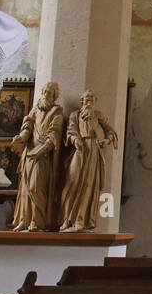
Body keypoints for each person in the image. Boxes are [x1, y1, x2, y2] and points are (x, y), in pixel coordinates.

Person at [59, 89, 118, 233]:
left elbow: (111, 131)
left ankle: (81, 220)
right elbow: (70, 130)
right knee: (72, 182)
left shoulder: (98, 116)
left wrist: (106, 140)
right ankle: (67, 219)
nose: (89, 101)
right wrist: (75, 139)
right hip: (80, 150)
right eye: (86, 99)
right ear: (82, 101)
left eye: (92, 99)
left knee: (89, 185)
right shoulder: (75, 115)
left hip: (93, 151)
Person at [11, 82, 63, 232]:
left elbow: (54, 134)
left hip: (42, 156)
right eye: (45, 91)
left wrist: (41, 150)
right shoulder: (35, 110)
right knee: (26, 187)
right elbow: (27, 127)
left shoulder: (56, 112)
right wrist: (21, 137)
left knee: (36, 187)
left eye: (50, 92)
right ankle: (25, 220)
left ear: (54, 96)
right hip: (29, 153)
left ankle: (37, 221)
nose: (46, 94)